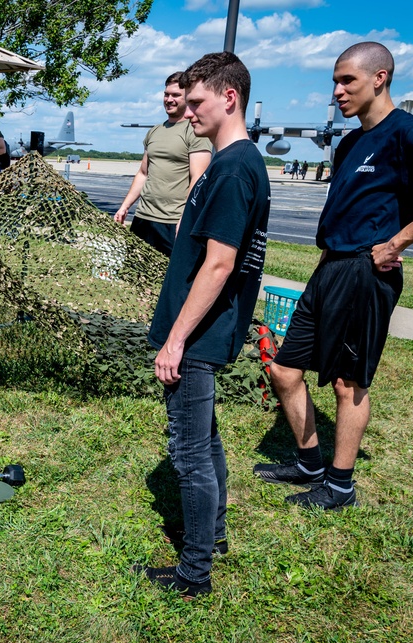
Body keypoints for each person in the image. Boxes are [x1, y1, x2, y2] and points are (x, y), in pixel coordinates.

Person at [255, 42, 413, 510]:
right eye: (335, 82)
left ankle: (339, 485)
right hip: (330, 268)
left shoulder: (409, 132)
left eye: (347, 81)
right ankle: (309, 462)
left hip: (366, 272)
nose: (337, 92)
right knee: (283, 368)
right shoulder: (353, 142)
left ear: (379, 78)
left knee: (347, 383)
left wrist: (398, 243)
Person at [135, 52, 271, 598]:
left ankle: (193, 574)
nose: (187, 112)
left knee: (188, 452)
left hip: (197, 336)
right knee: (206, 437)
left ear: (228, 97)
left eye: (196, 102)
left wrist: (175, 338)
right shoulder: (230, 161)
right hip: (203, 331)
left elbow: (219, 262)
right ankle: (210, 537)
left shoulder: (235, 166)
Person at [114, 72, 213, 257]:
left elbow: (198, 179)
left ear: (188, 97)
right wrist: (125, 206)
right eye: (166, 94)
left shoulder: (194, 132)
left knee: (168, 280)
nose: (169, 99)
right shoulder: (155, 131)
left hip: (173, 221)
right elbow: (143, 173)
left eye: (175, 95)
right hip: (143, 217)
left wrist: (186, 217)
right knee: (136, 277)